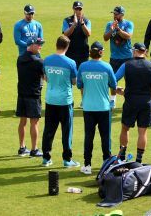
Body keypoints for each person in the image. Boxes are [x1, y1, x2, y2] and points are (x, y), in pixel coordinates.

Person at [115, 42, 151, 164]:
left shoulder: (126, 65)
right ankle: (138, 160)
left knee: (125, 129)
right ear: (145, 52)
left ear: (134, 51)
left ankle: (121, 157)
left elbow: (114, 78)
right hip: (146, 102)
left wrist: (120, 91)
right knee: (142, 132)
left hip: (130, 101)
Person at [77, 42, 117, 174]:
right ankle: (107, 164)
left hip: (88, 107)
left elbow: (79, 84)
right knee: (105, 136)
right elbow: (113, 85)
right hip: (103, 108)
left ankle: (87, 165)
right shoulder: (107, 67)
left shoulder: (83, 66)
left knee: (89, 136)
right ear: (101, 52)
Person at [41, 35, 79, 168]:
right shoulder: (71, 63)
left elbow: (45, 78)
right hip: (65, 101)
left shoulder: (47, 60)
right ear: (67, 47)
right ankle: (67, 160)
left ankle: (46, 158)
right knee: (66, 131)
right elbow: (74, 81)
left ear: (56, 45)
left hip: (50, 100)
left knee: (49, 130)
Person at [16, 38, 45, 158]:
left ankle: (22, 147)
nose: (40, 47)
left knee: (22, 121)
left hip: (22, 94)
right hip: (33, 95)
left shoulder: (19, 59)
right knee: (34, 123)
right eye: (38, 45)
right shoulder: (39, 61)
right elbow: (45, 77)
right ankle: (34, 149)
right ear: (31, 45)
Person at [104, 6, 134, 108]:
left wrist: (118, 29)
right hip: (114, 57)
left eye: (116, 14)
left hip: (127, 57)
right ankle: (112, 101)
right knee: (113, 80)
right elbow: (105, 38)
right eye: (114, 14)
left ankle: (129, 101)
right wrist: (111, 30)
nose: (114, 15)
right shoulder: (109, 24)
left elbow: (128, 36)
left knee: (129, 80)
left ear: (122, 14)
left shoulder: (128, 24)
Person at [62, 1, 91, 69]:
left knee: (82, 76)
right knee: (71, 75)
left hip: (83, 54)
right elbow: (65, 34)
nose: (78, 11)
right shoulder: (67, 20)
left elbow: (88, 34)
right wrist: (74, 25)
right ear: (73, 9)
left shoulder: (86, 21)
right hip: (70, 53)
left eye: (79, 9)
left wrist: (82, 24)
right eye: (76, 9)